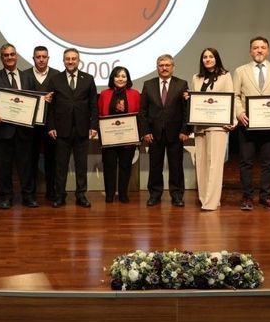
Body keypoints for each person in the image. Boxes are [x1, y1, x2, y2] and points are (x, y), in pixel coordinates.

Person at [0, 43, 38, 208]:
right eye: (6, 55)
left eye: (12, 54)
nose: (9, 57)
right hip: (3, 131)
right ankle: (6, 197)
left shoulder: (27, 77)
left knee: (26, 166)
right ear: (1, 58)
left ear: (16, 56)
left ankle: (28, 196)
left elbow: (35, 99)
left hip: (24, 130)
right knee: (4, 167)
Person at [233, 36, 270, 211]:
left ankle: (266, 197)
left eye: (262, 47)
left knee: (268, 163)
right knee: (246, 163)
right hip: (247, 124)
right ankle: (247, 197)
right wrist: (239, 113)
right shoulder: (240, 71)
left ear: (268, 50)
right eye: (255, 47)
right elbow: (235, 96)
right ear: (250, 51)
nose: (259, 50)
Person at [46, 48, 98, 208]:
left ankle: (81, 195)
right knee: (60, 166)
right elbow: (50, 107)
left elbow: (94, 105)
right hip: (61, 130)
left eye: (73, 59)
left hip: (82, 129)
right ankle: (60, 196)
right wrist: (51, 126)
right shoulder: (55, 79)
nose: (70, 61)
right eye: (67, 59)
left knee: (81, 166)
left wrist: (94, 126)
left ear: (78, 60)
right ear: (63, 61)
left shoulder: (88, 79)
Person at [138, 54, 189, 207]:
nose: (164, 68)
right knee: (155, 166)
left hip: (176, 134)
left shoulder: (182, 84)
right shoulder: (148, 84)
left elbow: (186, 110)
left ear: (173, 67)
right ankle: (155, 195)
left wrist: (185, 130)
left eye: (167, 65)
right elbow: (143, 111)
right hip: (154, 134)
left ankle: (177, 195)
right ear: (157, 68)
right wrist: (145, 132)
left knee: (176, 166)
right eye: (161, 65)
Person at [190, 48, 235, 211]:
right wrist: (189, 97)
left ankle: (212, 201)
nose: (208, 59)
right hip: (200, 126)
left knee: (214, 164)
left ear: (217, 59)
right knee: (201, 164)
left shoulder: (225, 76)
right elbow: (195, 100)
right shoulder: (196, 77)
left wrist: (231, 120)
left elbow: (231, 97)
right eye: (205, 57)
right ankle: (204, 198)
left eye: (211, 56)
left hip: (218, 126)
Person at [21, 46, 60, 201]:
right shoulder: (24, 75)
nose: (41, 59)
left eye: (44, 57)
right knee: (30, 160)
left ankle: (52, 192)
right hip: (30, 126)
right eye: (38, 57)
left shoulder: (57, 75)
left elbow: (61, 100)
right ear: (33, 58)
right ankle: (30, 194)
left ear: (48, 58)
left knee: (52, 160)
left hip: (51, 125)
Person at [97, 66, 141, 203]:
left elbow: (140, 115)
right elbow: (99, 113)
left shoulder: (135, 94)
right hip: (109, 138)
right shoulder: (104, 94)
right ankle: (110, 194)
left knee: (125, 166)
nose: (120, 79)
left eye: (123, 76)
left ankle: (123, 194)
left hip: (128, 138)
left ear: (128, 79)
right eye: (117, 76)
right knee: (109, 166)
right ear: (113, 78)